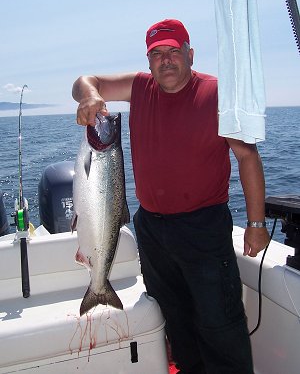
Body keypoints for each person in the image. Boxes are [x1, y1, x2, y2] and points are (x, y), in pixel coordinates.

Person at [72, 19, 270, 374]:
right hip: (151, 229)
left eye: (173, 51)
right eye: (157, 53)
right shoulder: (140, 87)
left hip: (203, 228)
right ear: (149, 62)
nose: (166, 60)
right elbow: (86, 81)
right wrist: (89, 95)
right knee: (175, 320)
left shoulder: (218, 95)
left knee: (219, 322)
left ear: (190, 55)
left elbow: (247, 157)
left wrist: (256, 224)